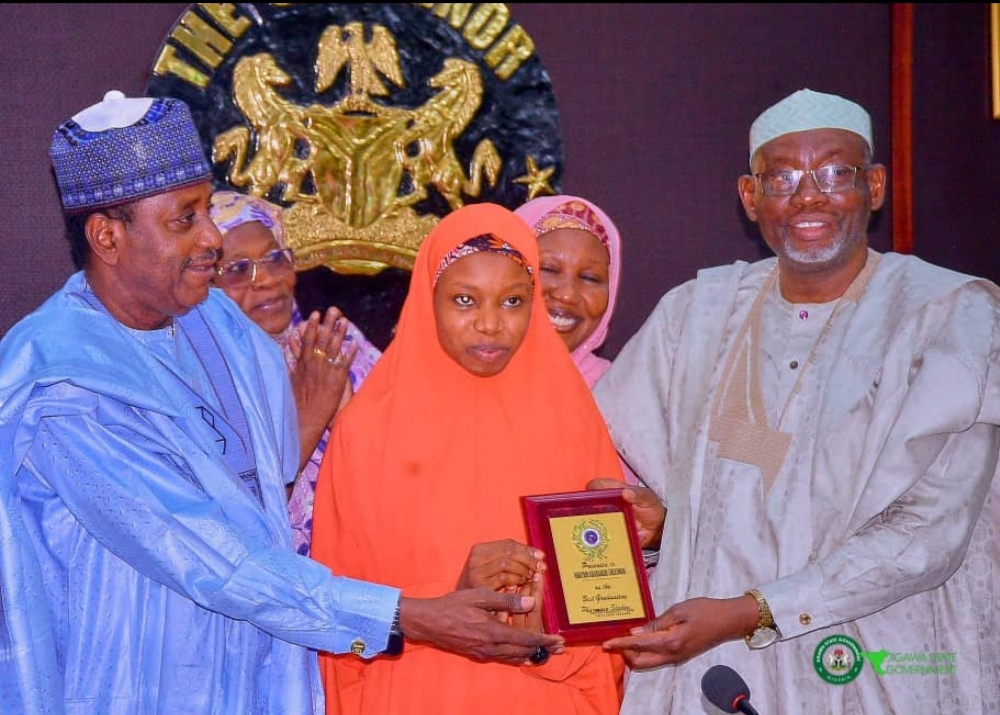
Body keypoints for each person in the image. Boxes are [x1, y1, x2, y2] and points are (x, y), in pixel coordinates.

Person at [0, 90, 562, 715]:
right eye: (184, 219)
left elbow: (262, 503)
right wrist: (408, 616)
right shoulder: (65, 386)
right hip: (134, 678)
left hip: (257, 667)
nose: (212, 238)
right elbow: (205, 555)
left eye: (206, 209)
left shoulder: (220, 325)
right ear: (107, 236)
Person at [591, 88, 1000, 714]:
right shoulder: (693, 316)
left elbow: (929, 532)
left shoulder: (945, 316)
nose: (809, 196)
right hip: (714, 668)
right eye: (782, 178)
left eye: (835, 173)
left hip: (878, 663)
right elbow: (649, 484)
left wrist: (751, 611)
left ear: (875, 186)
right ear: (750, 197)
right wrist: (663, 528)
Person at [310, 202, 626, 715]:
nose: (490, 324)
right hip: (411, 697)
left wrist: (544, 620)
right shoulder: (367, 432)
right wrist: (447, 597)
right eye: (464, 300)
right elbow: (337, 615)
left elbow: (604, 609)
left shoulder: (575, 424)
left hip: (543, 696)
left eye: (513, 301)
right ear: (426, 301)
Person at [209, 190, 382, 555]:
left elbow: (405, 471)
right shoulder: (202, 377)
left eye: (275, 259)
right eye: (237, 270)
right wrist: (313, 414)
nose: (266, 280)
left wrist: (348, 420)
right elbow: (231, 517)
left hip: (367, 562)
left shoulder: (336, 343)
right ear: (203, 285)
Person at [514, 195, 621, 388]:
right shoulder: (459, 383)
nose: (567, 295)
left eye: (589, 278)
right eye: (548, 269)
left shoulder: (616, 394)